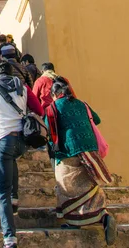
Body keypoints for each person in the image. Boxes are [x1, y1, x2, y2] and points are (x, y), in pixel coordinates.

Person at [0, 61, 43, 248]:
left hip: (2, 140)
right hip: (22, 141)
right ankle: (15, 198)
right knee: (11, 160)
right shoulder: (23, 86)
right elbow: (39, 109)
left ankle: (9, 238)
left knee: (1, 192)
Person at [45, 79, 116, 245]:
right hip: (90, 148)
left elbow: (48, 129)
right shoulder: (81, 103)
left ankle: (74, 220)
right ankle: (103, 216)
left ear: (55, 94)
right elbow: (96, 119)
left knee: (67, 185)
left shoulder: (53, 107)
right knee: (89, 183)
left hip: (68, 150)